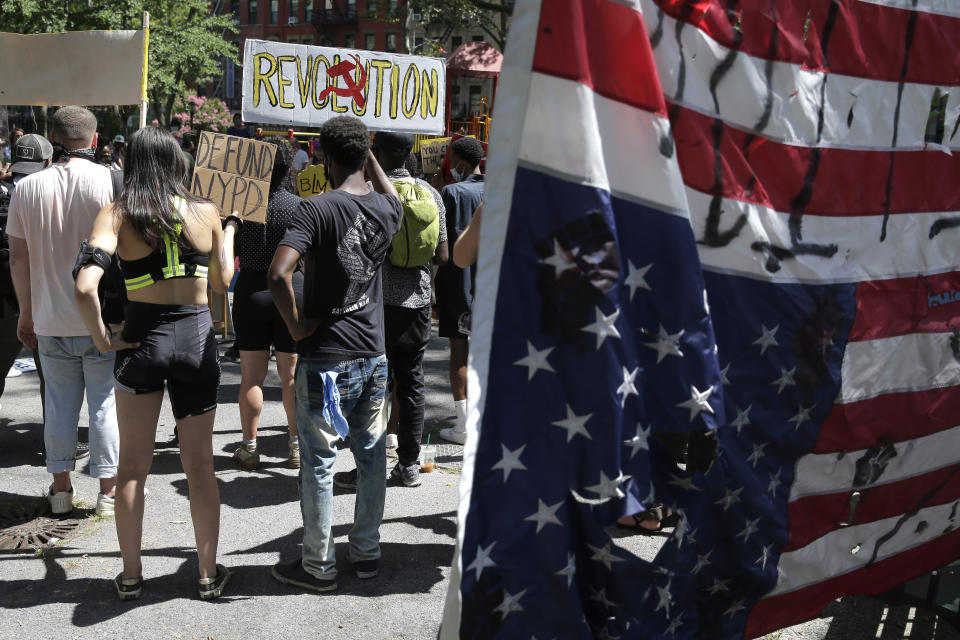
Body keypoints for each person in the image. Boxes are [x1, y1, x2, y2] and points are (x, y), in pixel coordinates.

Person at [74, 126, 236, 601]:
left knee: (132, 469)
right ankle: (207, 575)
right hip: (196, 342)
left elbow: (86, 286)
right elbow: (224, 282)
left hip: (141, 344)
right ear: (177, 164)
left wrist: (104, 338)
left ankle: (130, 576)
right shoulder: (205, 211)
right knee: (201, 466)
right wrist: (226, 229)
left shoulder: (118, 214)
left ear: (133, 164)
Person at [268, 116, 401, 592]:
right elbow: (394, 197)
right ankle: (366, 551)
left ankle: (318, 565)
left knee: (320, 462)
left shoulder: (315, 209)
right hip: (373, 356)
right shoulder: (388, 210)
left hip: (326, 357)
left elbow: (279, 272)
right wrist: (368, 155)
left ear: (323, 156)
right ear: (366, 154)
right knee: (370, 457)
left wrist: (298, 324)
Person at [7, 107, 118, 516]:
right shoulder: (111, 180)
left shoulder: (26, 187)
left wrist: (26, 312)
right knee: (104, 404)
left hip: (49, 317)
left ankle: (61, 492)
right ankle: (108, 495)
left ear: (52, 137)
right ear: (93, 140)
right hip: (100, 318)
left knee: (57, 407)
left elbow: (18, 259)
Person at [333, 133, 447, 490]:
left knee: (371, 388)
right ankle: (409, 466)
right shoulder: (432, 195)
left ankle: (367, 469)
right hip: (416, 304)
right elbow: (442, 255)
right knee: (411, 384)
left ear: (376, 154)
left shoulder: (368, 195)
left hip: (375, 306)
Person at [231, 136, 302, 470]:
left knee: (252, 377)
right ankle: (295, 446)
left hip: (251, 291)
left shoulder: (243, 205)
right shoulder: (300, 206)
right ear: (289, 167)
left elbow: (229, 253)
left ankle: (250, 446)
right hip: (290, 292)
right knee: (291, 377)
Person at [434, 136, 485, 445]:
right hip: (490, 287)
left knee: (459, 354)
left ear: (461, 164)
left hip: (458, 287)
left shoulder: (451, 193)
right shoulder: (498, 190)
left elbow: (441, 246)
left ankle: (464, 425)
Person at [0, 134, 54, 409]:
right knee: (54, 376)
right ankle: (56, 442)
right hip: (46, 294)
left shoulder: (3, 192)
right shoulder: (54, 194)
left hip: (4, 297)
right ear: (48, 161)